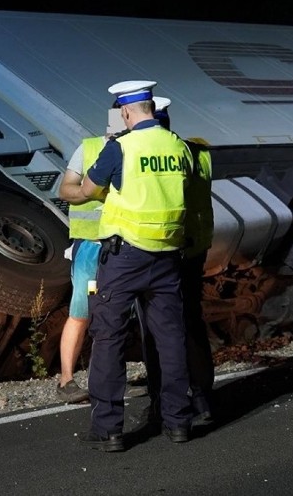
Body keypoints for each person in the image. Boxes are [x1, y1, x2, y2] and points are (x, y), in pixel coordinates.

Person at [78, 80, 195, 452]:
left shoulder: (121, 147)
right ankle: (178, 422)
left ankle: (110, 429)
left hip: (124, 256)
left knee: (109, 337)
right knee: (171, 338)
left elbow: (88, 191)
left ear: (126, 112)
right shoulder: (180, 147)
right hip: (168, 256)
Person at [139, 97, 217, 431]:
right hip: (195, 248)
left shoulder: (157, 155)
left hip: (164, 250)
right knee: (191, 322)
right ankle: (202, 397)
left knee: (157, 329)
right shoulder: (198, 152)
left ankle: (164, 401)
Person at [55, 108, 124, 403]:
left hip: (121, 244)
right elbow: (65, 189)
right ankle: (66, 381)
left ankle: (108, 381)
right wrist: (93, 191)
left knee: (115, 315)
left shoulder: (134, 147)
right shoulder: (89, 148)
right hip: (91, 246)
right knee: (81, 313)